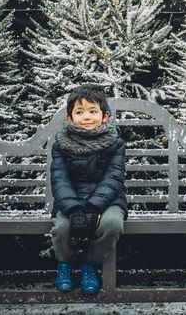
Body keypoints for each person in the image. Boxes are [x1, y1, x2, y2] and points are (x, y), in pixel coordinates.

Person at [49, 85, 127, 294]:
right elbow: (60, 179)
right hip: (71, 201)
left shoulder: (115, 143)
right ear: (69, 117)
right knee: (63, 228)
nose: (86, 117)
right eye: (79, 111)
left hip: (108, 201)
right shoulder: (61, 144)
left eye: (93, 111)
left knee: (111, 224)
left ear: (104, 116)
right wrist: (74, 209)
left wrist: (94, 207)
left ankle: (89, 265)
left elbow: (114, 177)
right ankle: (65, 264)